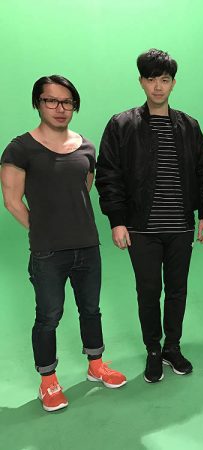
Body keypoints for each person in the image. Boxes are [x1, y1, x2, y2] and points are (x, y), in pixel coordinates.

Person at [0, 75, 126, 412]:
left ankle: (96, 365)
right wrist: (44, 229)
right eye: (51, 100)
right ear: (38, 103)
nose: (60, 108)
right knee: (48, 316)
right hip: (48, 251)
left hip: (87, 245)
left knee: (91, 310)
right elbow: (12, 201)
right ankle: (48, 381)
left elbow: (83, 188)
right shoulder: (20, 148)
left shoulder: (86, 146)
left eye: (67, 102)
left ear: (74, 106)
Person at [95, 49, 203, 383]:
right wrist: (117, 220)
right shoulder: (121, 124)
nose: (158, 87)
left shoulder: (189, 126)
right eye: (151, 79)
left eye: (165, 80)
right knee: (148, 292)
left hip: (180, 226)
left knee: (177, 290)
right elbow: (109, 174)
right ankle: (154, 350)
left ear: (173, 83)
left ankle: (172, 347)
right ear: (141, 82)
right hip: (141, 227)